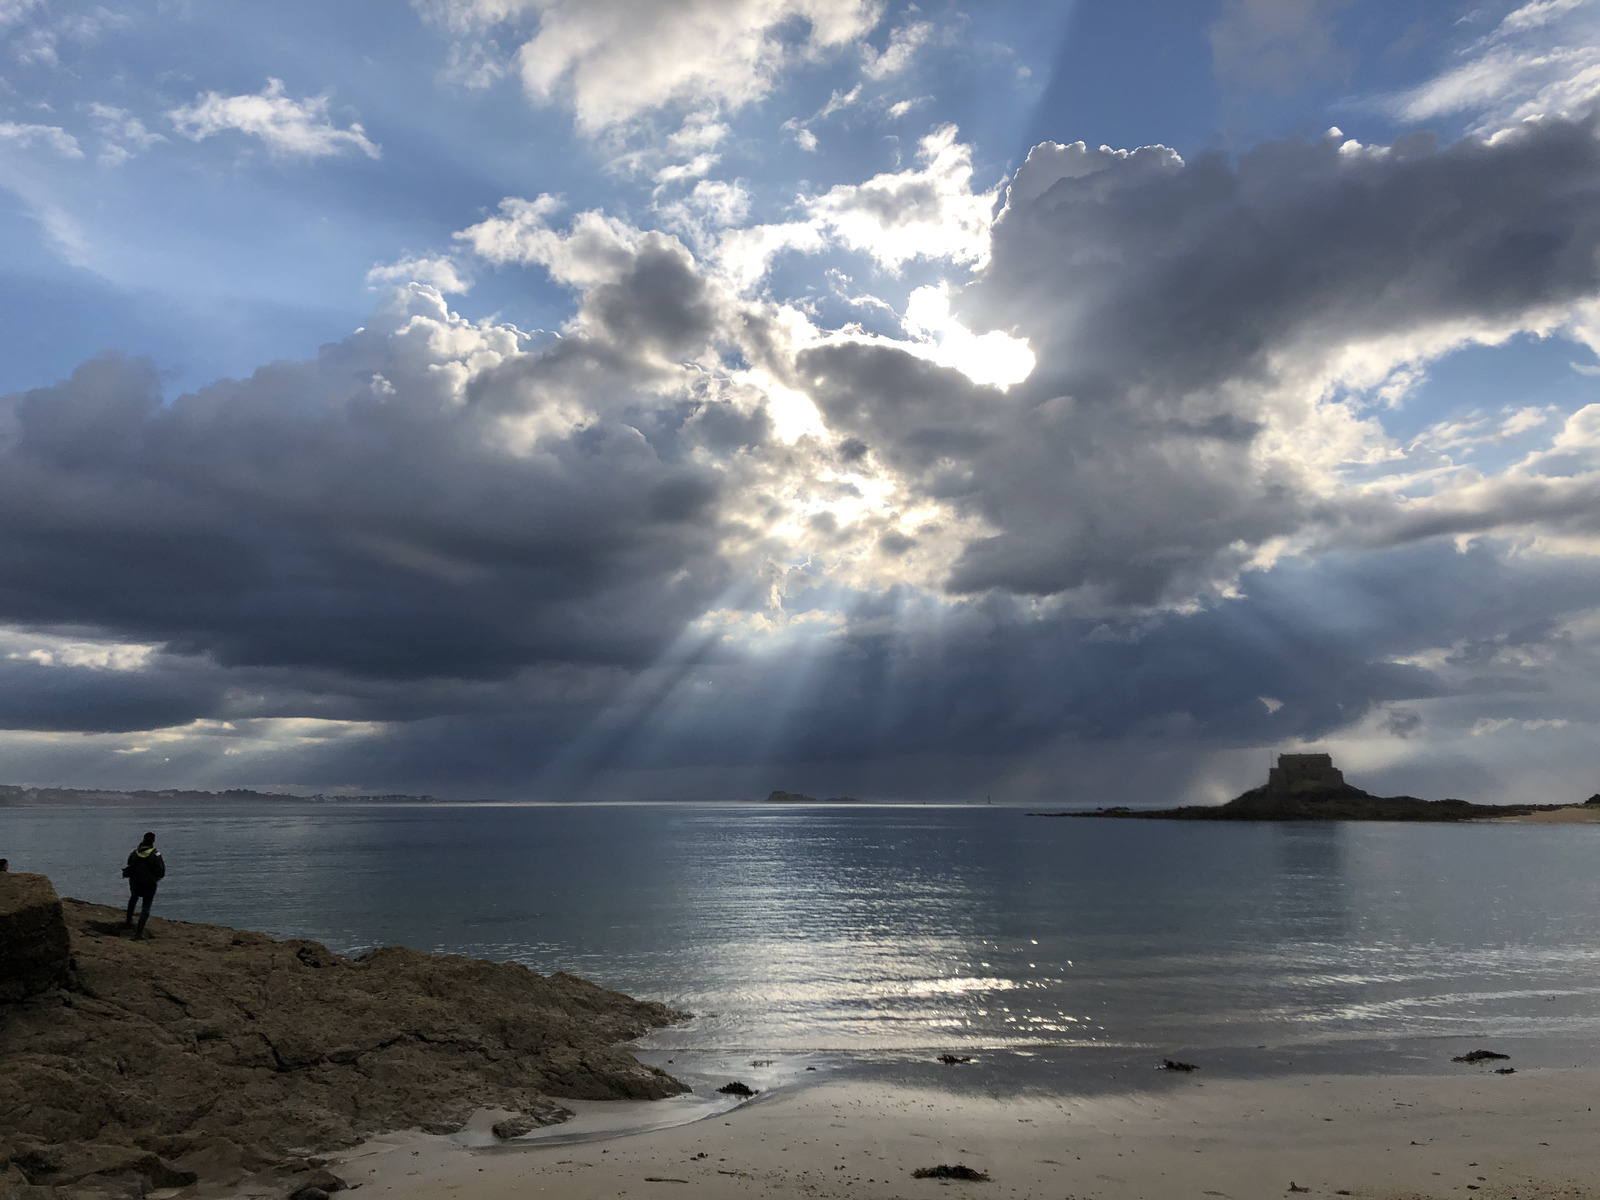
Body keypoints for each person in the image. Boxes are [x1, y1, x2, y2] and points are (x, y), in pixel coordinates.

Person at [123, 832, 166, 939]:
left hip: (135, 882)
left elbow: (129, 863)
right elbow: (161, 870)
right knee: (146, 906)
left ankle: (128, 920)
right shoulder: (156, 854)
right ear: (153, 841)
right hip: (150, 883)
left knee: (133, 898)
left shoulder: (135, 852)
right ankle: (139, 931)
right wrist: (157, 878)